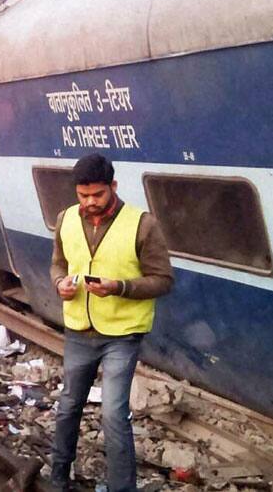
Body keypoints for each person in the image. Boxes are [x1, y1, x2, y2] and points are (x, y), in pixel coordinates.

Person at [50, 154, 174, 492]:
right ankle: (57, 479)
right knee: (68, 407)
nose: (90, 202)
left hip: (121, 335)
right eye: (83, 195)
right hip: (78, 329)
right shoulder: (65, 219)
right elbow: (58, 264)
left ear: (113, 187)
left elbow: (163, 280)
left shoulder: (142, 224)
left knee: (113, 415)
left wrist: (119, 287)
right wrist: (59, 283)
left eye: (98, 195)